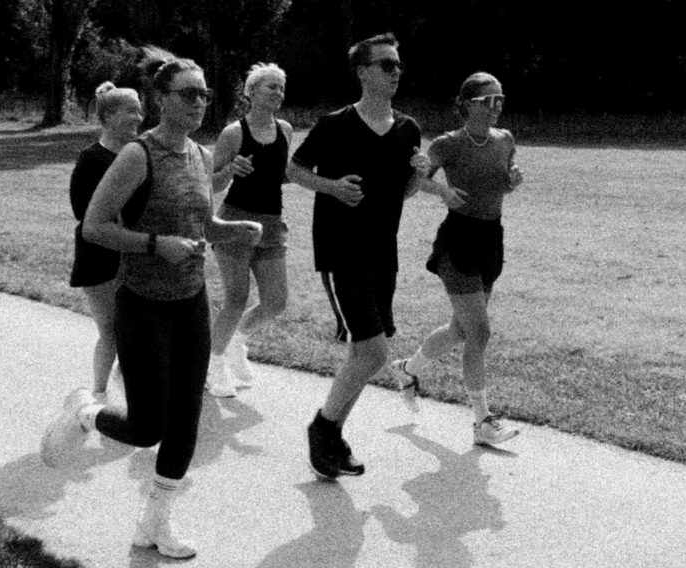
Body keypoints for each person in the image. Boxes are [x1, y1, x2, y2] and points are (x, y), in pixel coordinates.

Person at [40, 46, 262, 559]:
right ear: (161, 98)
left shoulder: (202, 155)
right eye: (188, 93)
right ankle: (86, 412)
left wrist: (233, 231)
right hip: (141, 302)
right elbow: (93, 227)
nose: (200, 102)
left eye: (205, 94)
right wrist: (154, 245)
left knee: (186, 420)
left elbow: (201, 224)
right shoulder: (137, 155)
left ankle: (156, 522)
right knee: (146, 428)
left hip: (190, 300)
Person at [287, 33, 433, 479]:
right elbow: (292, 169)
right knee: (372, 353)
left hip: (382, 254)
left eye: (398, 65)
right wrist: (331, 187)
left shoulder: (408, 128)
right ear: (363, 72)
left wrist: (419, 175)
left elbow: (401, 194)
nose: (395, 72)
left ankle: (329, 437)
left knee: (365, 353)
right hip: (341, 251)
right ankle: (324, 429)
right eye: (386, 65)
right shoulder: (335, 124)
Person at [391, 71, 523, 447]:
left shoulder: (505, 140)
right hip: (458, 241)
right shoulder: (448, 144)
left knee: (460, 330)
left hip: (491, 240)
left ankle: (407, 369)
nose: (497, 107)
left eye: (501, 100)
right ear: (467, 105)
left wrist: (512, 182)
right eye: (488, 101)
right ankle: (482, 421)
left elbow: (501, 186)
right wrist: (440, 190)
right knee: (480, 332)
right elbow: (409, 190)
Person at [205, 63, 293, 398]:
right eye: (271, 86)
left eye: (281, 88)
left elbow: (281, 175)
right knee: (237, 297)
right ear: (251, 91)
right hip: (235, 222)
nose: (278, 93)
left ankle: (236, 342)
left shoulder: (284, 129)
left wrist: (311, 174)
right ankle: (213, 365)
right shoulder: (233, 133)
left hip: (271, 222)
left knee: (276, 301)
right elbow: (209, 184)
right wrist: (230, 168)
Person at [68, 81, 142, 402]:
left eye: (140, 109)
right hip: (99, 258)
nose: (139, 116)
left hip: (133, 255)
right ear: (110, 115)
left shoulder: (137, 155)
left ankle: (127, 388)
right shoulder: (91, 160)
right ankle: (97, 398)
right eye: (131, 110)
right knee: (111, 332)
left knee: (135, 330)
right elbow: (82, 215)